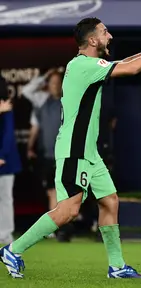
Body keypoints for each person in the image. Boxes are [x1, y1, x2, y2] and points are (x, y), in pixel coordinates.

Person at [0, 16, 141, 279]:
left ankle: (116, 267)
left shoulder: (90, 64)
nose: (110, 36)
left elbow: (124, 63)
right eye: (105, 32)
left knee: (109, 201)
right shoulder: (83, 66)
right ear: (92, 40)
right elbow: (132, 69)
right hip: (74, 150)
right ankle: (14, 249)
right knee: (68, 211)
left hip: (89, 152)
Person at [23, 69, 64, 240]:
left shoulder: (68, 101)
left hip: (65, 155)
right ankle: (55, 227)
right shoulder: (41, 102)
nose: (54, 86)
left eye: (57, 82)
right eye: (51, 83)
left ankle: (61, 226)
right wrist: (30, 147)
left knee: (63, 193)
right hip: (47, 156)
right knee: (52, 193)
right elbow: (26, 91)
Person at [0, 77, 22, 245]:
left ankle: (5, 234)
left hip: (5, 162)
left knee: (6, 198)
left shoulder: (6, 105)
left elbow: (8, 134)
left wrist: (2, 155)